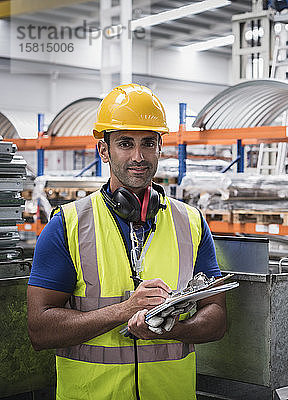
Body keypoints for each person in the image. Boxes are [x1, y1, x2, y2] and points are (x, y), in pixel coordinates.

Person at [27, 83, 226, 400]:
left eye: (148, 143)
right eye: (124, 143)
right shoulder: (67, 226)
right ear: (103, 150)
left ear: (161, 147)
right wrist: (124, 311)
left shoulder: (190, 222)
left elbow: (216, 318)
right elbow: (40, 330)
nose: (138, 156)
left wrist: (167, 327)